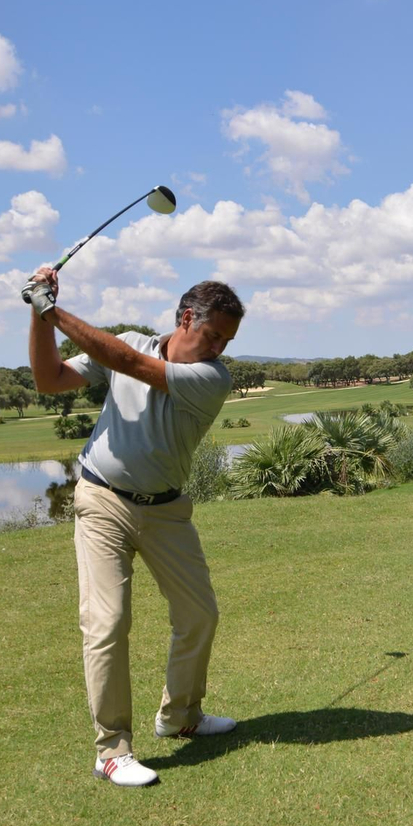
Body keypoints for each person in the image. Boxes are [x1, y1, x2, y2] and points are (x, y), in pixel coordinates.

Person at [27, 266, 244, 787]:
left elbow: (127, 362)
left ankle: (179, 716)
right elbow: (48, 378)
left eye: (227, 341)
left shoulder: (212, 377)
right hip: (102, 499)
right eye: (213, 335)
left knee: (199, 614)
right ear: (186, 318)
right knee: (107, 622)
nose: (218, 348)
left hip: (168, 510)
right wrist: (38, 317)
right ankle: (112, 750)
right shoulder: (128, 343)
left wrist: (51, 308)